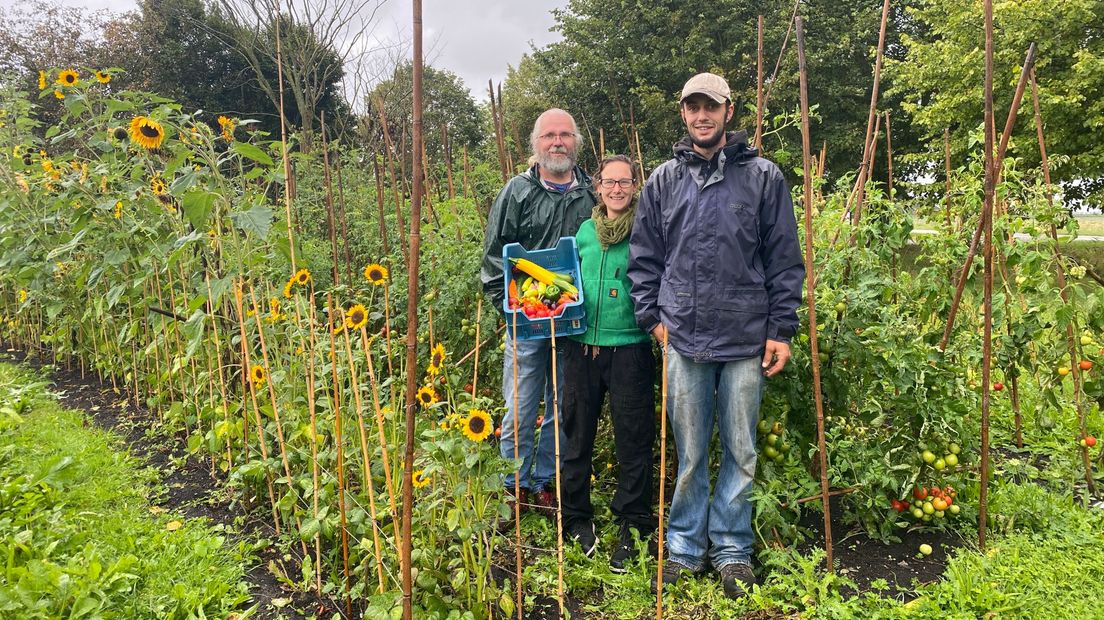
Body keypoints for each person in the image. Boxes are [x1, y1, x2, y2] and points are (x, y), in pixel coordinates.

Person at [628, 72, 804, 599]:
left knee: (742, 448)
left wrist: (781, 329)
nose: (701, 116)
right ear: (683, 114)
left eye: (712, 107)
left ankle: (731, 547)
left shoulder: (764, 178)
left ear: (729, 112)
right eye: (692, 107)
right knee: (690, 450)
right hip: (683, 337)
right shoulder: (663, 180)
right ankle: (683, 546)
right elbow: (643, 261)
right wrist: (654, 321)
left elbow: (783, 261)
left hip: (746, 338)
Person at [481, 108, 597, 515]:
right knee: (520, 405)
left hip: (572, 318)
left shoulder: (591, 192)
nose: (557, 142)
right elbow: (496, 258)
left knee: (561, 406)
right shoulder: (518, 191)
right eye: (549, 135)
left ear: (576, 142)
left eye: (565, 135)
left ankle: (547, 480)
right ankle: (514, 484)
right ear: (536, 144)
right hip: (527, 319)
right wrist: (511, 310)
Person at [560, 155, 656, 569]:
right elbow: (565, 280)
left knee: (633, 439)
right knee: (576, 435)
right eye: (609, 182)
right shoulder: (583, 231)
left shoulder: (649, 230)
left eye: (625, 182)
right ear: (597, 187)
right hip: (581, 347)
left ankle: (633, 525)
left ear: (636, 185)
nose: (617, 189)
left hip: (630, 347)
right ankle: (576, 518)